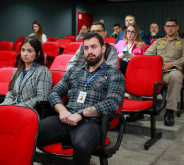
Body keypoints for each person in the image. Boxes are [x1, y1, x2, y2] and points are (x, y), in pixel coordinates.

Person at [37, 32, 126, 165]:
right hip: (66, 118)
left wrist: (80, 114)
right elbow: (54, 92)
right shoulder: (74, 71)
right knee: (30, 130)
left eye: (94, 47)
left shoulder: (114, 74)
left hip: (92, 123)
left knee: (82, 145)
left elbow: (112, 103)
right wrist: (62, 111)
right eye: (86, 48)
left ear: (103, 49)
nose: (89, 51)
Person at [146, 18, 184, 126]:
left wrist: (171, 64)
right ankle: (137, 111)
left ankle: (169, 112)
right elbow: (148, 54)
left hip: (173, 70)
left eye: (172, 26)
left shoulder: (183, 42)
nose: (170, 28)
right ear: (165, 28)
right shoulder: (158, 41)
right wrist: (158, 64)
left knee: (175, 77)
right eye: (168, 26)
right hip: (158, 71)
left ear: (177, 28)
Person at [1, 36, 52, 108]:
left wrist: (18, 107)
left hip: (30, 112)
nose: (25, 54)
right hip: (13, 109)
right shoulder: (16, 72)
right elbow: (11, 95)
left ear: (38, 53)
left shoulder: (43, 71)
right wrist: (4, 107)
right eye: (23, 50)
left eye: (29, 51)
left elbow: (42, 98)